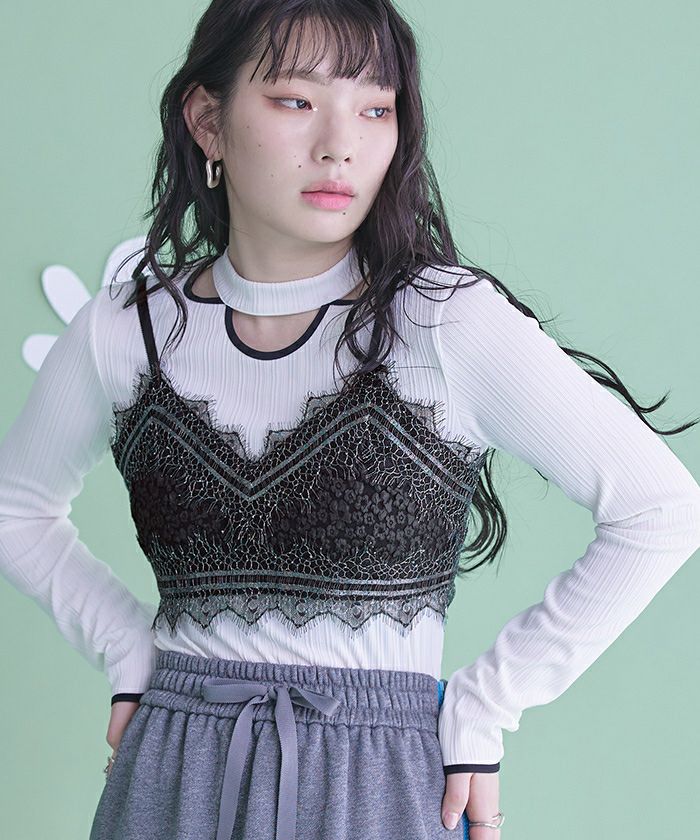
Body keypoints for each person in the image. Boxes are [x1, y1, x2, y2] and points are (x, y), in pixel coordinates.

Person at [1, 2, 699, 839]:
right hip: (172, 773)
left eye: (376, 109)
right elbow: (16, 508)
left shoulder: (443, 322)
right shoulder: (126, 329)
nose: (341, 145)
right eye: (297, 101)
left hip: (380, 780)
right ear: (208, 121)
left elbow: (660, 509)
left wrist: (485, 705)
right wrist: (128, 647)